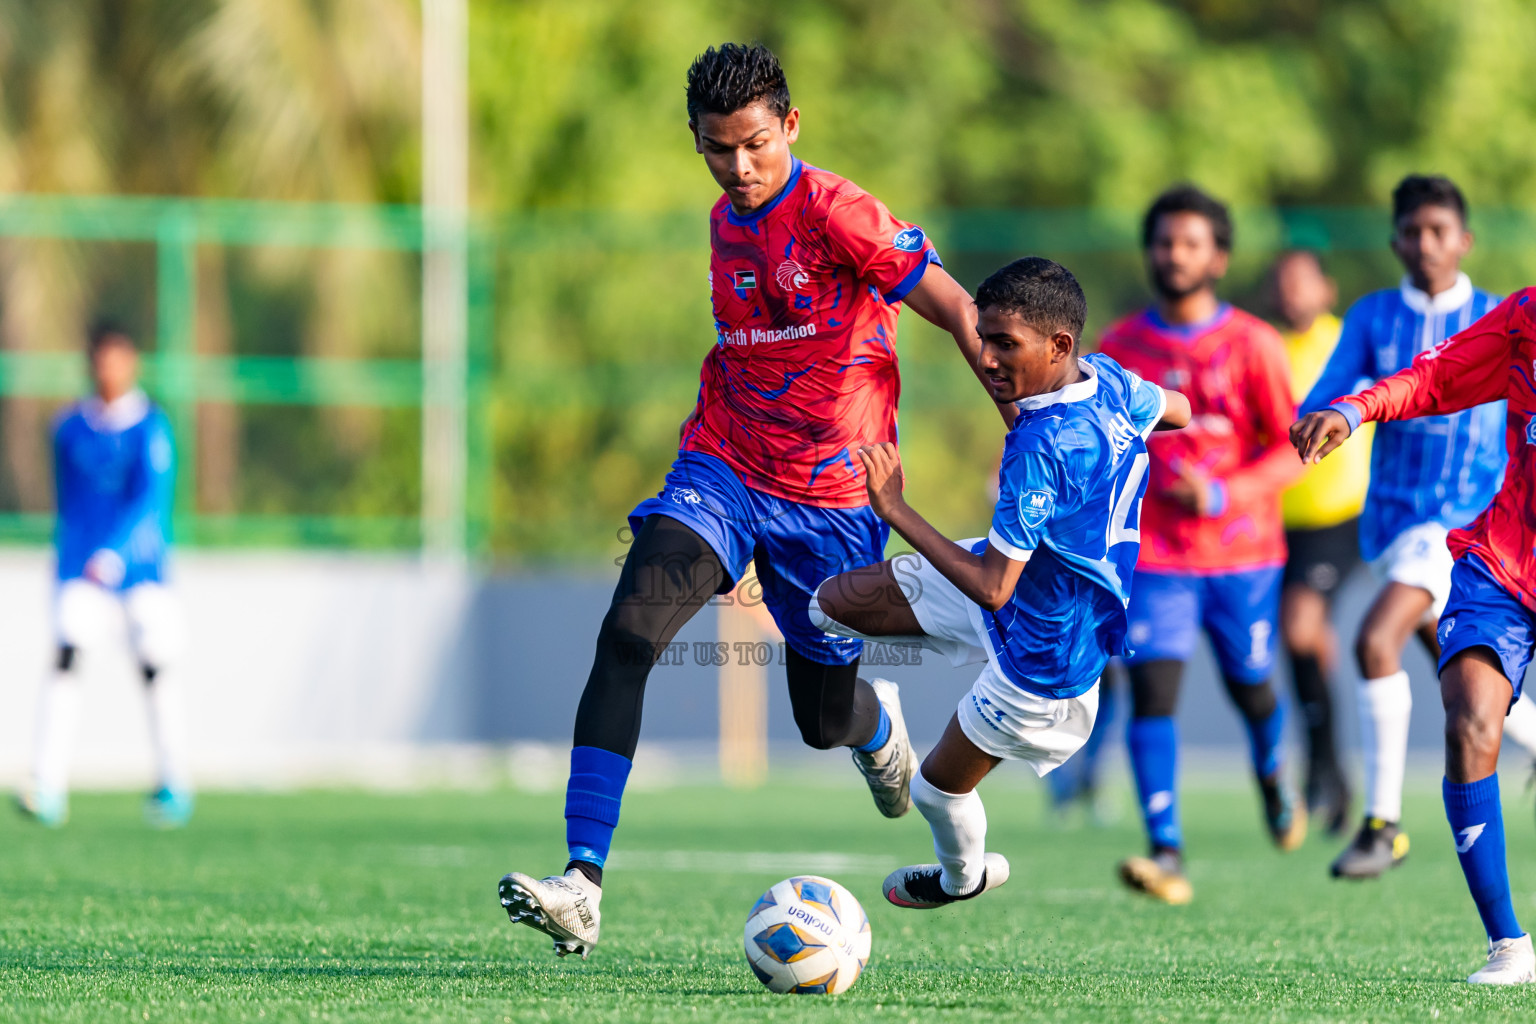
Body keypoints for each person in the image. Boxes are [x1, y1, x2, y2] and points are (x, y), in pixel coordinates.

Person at [497, 43, 996, 958]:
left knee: (818, 720)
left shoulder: (842, 212)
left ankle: (876, 724)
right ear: (696, 141)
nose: (740, 167)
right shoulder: (723, 221)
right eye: (718, 149)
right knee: (629, 631)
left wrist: (1019, 409)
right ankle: (582, 881)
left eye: (756, 145)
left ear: (791, 126)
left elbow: (957, 307)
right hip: (721, 467)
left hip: (836, 500)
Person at [811, 257, 1190, 907]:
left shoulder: (1046, 446)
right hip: (1023, 578)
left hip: (1048, 652)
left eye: (1004, 344)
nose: (987, 358)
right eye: (985, 338)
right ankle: (877, 728)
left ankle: (964, 878)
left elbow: (991, 589)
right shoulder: (1111, 380)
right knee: (829, 605)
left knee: (934, 792)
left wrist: (895, 508)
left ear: (1059, 346)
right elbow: (1177, 408)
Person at [1291, 281, 1536, 984]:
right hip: (1505, 555)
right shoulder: (1526, 316)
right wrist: (1355, 409)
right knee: (1468, 721)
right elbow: (1440, 373)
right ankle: (1508, 946)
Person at [1098, 185, 1306, 905]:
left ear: (1218, 256)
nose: (1174, 255)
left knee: (1252, 687)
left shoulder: (1253, 345)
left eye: (1190, 243)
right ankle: (1167, 851)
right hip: (1153, 556)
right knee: (1151, 693)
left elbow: (1294, 449)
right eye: (1163, 242)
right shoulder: (1120, 349)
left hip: (1245, 556)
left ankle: (1275, 773)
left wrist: (1225, 494)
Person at [17, 321, 193, 829]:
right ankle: (47, 786)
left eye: (118, 359)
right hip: (82, 573)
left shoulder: (151, 428)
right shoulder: (69, 428)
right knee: (65, 662)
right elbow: (68, 502)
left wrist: (116, 554)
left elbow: (150, 504)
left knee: (155, 671)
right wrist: (74, 559)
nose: (108, 369)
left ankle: (173, 781)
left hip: (142, 573)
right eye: (100, 359)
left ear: (131, 363)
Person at [1271, 249, 1363, 835]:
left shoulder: (1351, 342)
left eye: (1303, 282)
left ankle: (1327, 769)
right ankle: (1327, 767)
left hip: (1339, 516)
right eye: (1282, 284)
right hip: (1275, 524)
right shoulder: (1267, 348)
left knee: (1302, 628)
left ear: (1326, 289)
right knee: (1301, 641)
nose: (1292, 293)